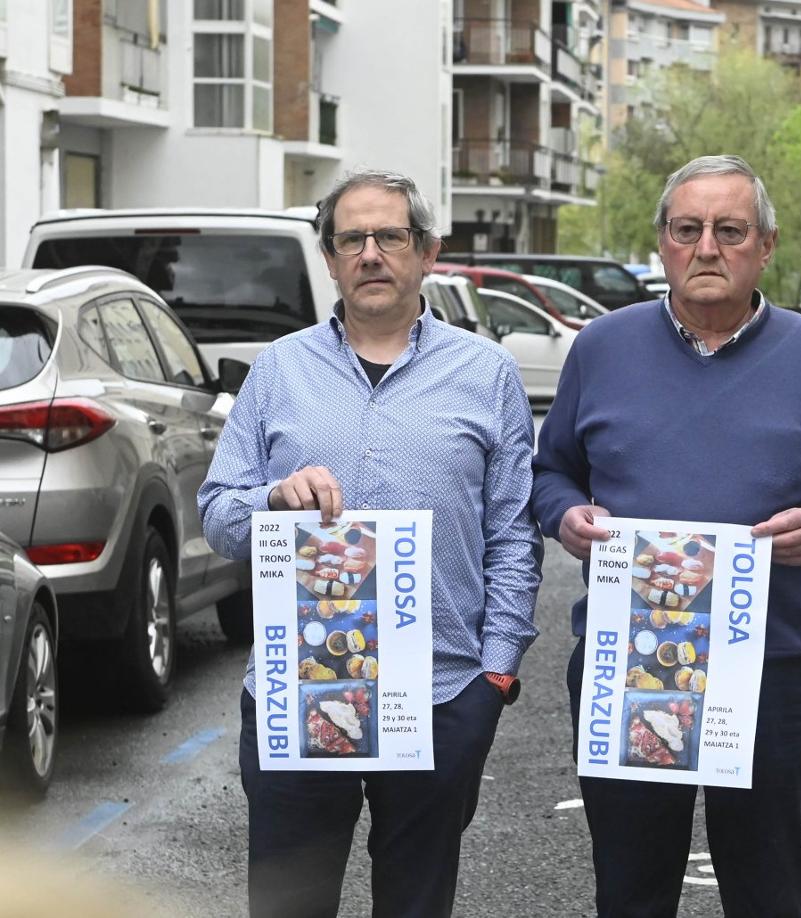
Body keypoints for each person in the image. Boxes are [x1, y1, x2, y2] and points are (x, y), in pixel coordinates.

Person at [531, 154, 801, 918]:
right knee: (632, 891)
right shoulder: (601, 349)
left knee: (765, 891)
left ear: (765, 246)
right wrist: (564, 516)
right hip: (627, 670)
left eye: (729, 230)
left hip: (771, 670)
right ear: (662, 244)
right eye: (688, 229)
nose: (708, 248)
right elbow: (550, 473)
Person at [198, 169, 542, 918]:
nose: (371, 254)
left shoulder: (486, 375)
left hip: (442, 693)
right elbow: (219, 517)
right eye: (352, 239)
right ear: (329, 257)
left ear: (427, 251)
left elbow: (514, 535)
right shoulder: (279, 372)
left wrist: (495, 679)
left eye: (390, 236)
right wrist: (271, 500)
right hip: (299, 692)